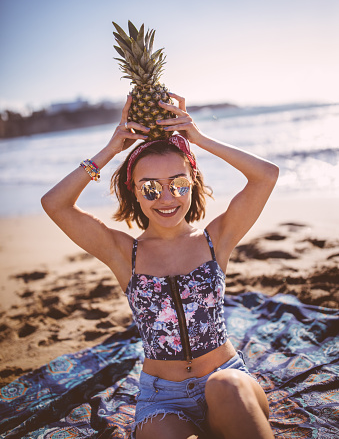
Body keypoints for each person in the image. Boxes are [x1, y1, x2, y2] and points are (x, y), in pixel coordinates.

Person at [41, 93, 278, 439]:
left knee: (225, 385)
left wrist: (198, 138)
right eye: (150, 188)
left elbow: (266, 176)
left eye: (178, 183)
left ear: (192, 183)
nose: (166, 198)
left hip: (228, 380)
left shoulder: (216, 239)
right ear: (134, 191)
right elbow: (55, 204)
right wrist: (110, 150)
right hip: (163, 398)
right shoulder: (125, 253)